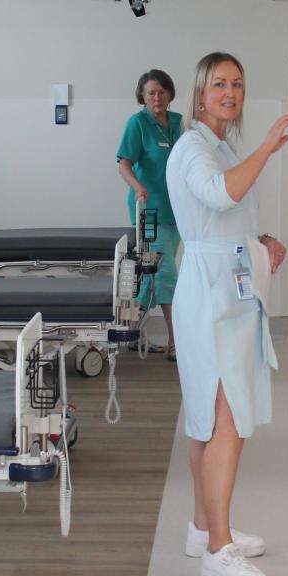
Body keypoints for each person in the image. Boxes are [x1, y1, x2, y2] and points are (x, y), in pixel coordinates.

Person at [166, 52, 288, 576]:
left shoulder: (219, 147)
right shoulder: (192, 148)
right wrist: (267, 147)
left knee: (212, 414)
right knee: (223, 417)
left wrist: (260, 242)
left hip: (228, 285)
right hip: (209, 296)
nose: (230, 93)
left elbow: (226, 215)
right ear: (200, 95)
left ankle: (204, 528)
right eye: (219, 84)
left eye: (237, 84)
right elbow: (221, 193)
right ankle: (218, 551)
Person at [117, 69, 183, 359]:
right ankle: (176, 343)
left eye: (161, 92)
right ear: (142, 97)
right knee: (166, 274)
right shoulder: (138, 124)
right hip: (149, 211)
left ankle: (127, 331)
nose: (157, 97)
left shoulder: (180, 122)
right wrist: (139, 187)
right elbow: (124, 164)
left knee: (148, 277)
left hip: (177, 211)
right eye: (151, 93)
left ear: (169, 94)